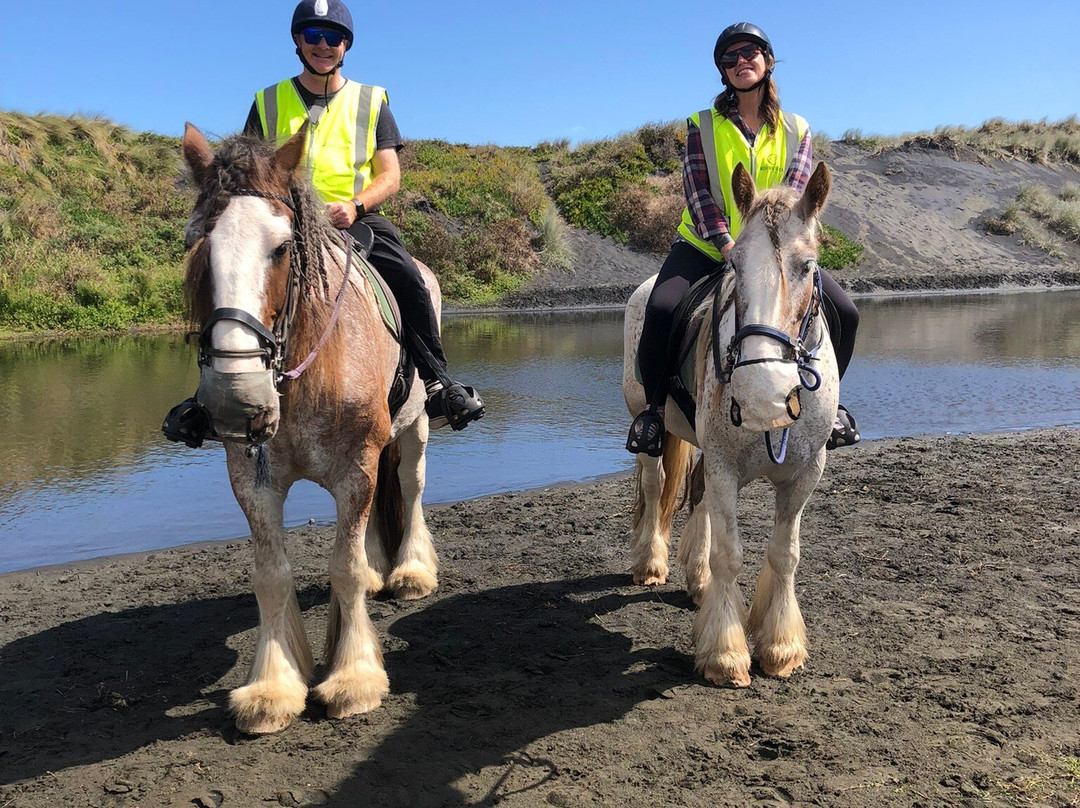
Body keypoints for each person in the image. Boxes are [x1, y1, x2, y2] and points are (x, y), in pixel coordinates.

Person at [626, 22, 860, 457]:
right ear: (723, 72)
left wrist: (764, 251)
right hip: (704, 245)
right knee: (659, 309)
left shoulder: (796, 129)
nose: (740, 62)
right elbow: (698, 193)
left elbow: (795, 194)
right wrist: (727, 245)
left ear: (768, 61)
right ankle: (655, 413)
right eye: (729, 58)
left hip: (774, 253)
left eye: (749, 53)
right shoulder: (702, 125)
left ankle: (832, 410)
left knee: (846, 313)